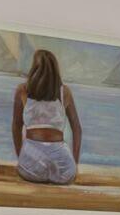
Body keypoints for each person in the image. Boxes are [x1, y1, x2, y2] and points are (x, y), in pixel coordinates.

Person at [13, 49, 82, 185]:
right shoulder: (64, 92)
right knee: (66, 173)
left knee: (28, 170)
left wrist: (20, 155)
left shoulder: (22, 90)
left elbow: (16, 127)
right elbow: (77, 129)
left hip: (30, 165)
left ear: (34, 68)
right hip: (63, 168)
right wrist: (75, 162)